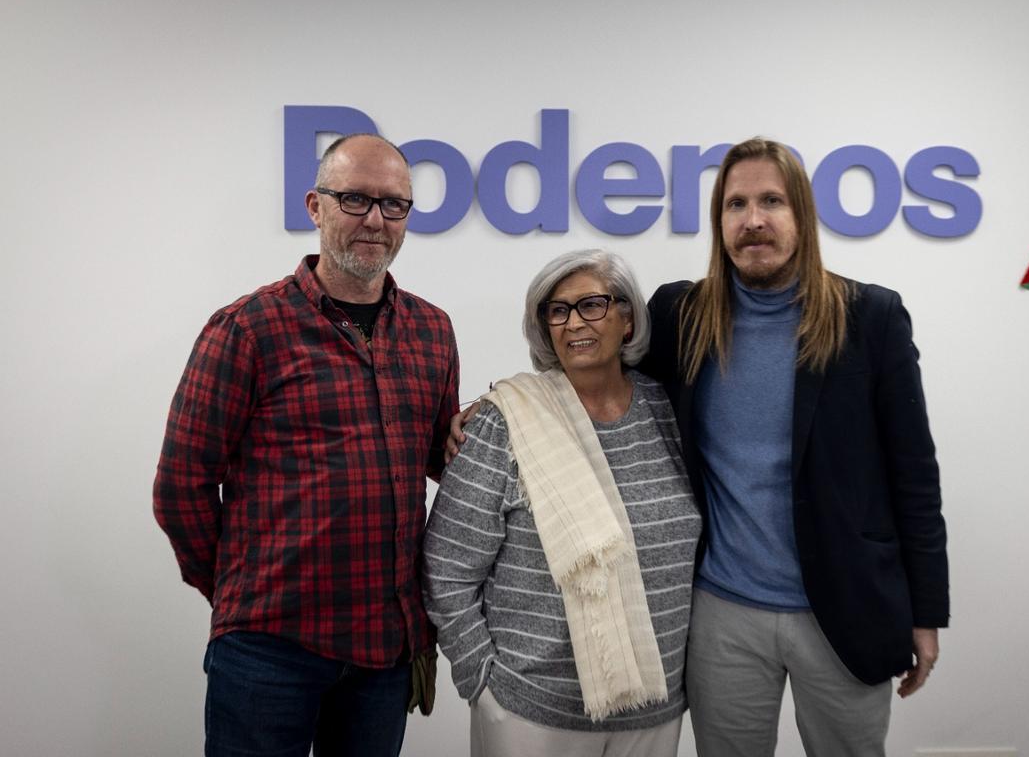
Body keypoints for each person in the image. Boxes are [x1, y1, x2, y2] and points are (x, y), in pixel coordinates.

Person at [635, 137, 950, 756]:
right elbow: (596, 386)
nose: (753, 220)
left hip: (844, 609)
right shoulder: (680, 315)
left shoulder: (871, 318)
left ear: (802, 214)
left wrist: (926, 612)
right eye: (736, 204)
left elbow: (915, 475)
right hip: (721, 613)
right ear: (718, 221)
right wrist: (500, 407)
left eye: (772, 201)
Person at [154, 133, 459, 757]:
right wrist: (243, 588)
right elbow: (180, 487)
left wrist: (476, 434)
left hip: (385, 650)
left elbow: (433, 459)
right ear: (314, 206)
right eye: (355, 199)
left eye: (393, 204)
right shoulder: (247, 328)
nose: (375, 219)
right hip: (270, 651)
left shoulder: (432, 329)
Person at [423, 249, 701, 757]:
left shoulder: (672, 411)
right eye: (558, 310)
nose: (574, 322)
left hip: (656, 708)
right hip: (530, 712)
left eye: (592, 305)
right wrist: (483, 682)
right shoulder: (504, 422)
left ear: (628, 317)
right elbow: (447, 566)